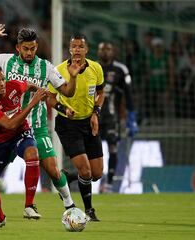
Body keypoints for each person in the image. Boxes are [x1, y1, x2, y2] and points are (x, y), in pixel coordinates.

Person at [0, 23, 80, 228]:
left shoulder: (46, 67)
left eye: (33, 48)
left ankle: (69, 206)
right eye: (26, 48)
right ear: (18, 47)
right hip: (7, 130)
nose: (30, 52)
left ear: (37, 47)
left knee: (53, 169)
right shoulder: (5, 61)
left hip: (35, 127)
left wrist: (72, 77)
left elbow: (67, 92)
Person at [0, 65, 47, 230]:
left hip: (20, 133)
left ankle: (29, 205)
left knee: (32, 154)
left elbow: (28, 84)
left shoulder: (13, 85)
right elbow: (9, 124)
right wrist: (32, 103)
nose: (2, 83)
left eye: (3, 79)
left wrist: (42, 92)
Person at [47, 33, 105, 221]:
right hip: (68, 124)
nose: (77, 50)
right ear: (69, 49)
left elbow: (101, 92)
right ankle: (89, 210)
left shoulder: (96, 68)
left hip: (89, 122)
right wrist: (64, 108)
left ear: (87, 50)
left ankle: (68, 176)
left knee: (96, 174)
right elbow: (50, 98)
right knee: (86, 171)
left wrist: (96, 113)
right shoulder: (59, 70)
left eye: (81, 46)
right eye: (74, 46)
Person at [97, 42, 138, 193]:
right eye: (102, 49)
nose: (105, 52)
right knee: (89, 150)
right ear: (98, 51)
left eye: (108, 49)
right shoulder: (91, 68)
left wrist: (131, 118)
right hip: (92, 116)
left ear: (113, 52)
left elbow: (128, 95)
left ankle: (108, 184)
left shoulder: (121, 70)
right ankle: (91, 181)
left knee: (113, 148)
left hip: (111, 118)